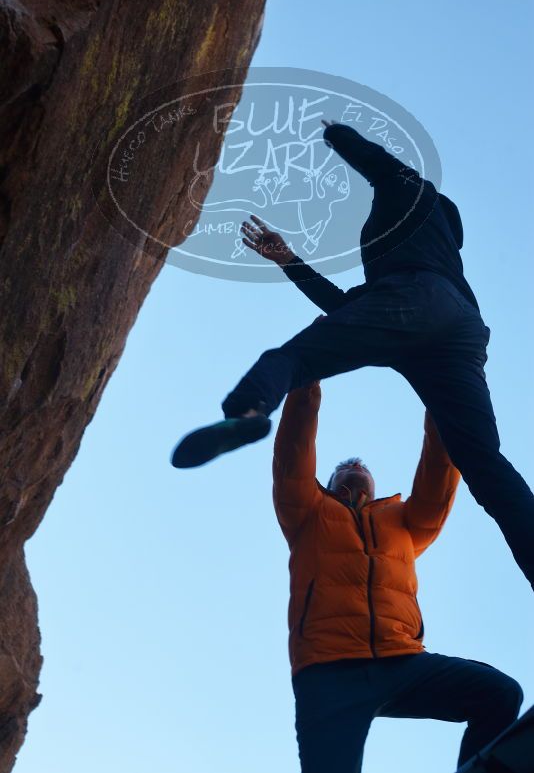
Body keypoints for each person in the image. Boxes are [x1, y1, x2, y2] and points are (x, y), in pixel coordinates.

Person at [171, 118, 534, 591]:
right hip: (458, 334)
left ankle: (247, 410)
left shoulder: (418, 197)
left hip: (417, 300)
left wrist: (336, 134)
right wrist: (290, 261)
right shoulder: (438, 255)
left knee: (297, 358)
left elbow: (382, 165)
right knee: (486, 465)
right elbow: (349, 308)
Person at [274, 381, 522, 773]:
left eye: (362, 466)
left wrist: (438, 394)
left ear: (374, 488)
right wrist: (308, 377)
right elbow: (294, 449)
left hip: (401, 662)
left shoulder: (404, 522)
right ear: (330, 483)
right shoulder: (307, 512)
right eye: (344, 467)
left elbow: (439, 471)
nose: (354, 466)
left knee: (500, 694)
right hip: (328, 671)